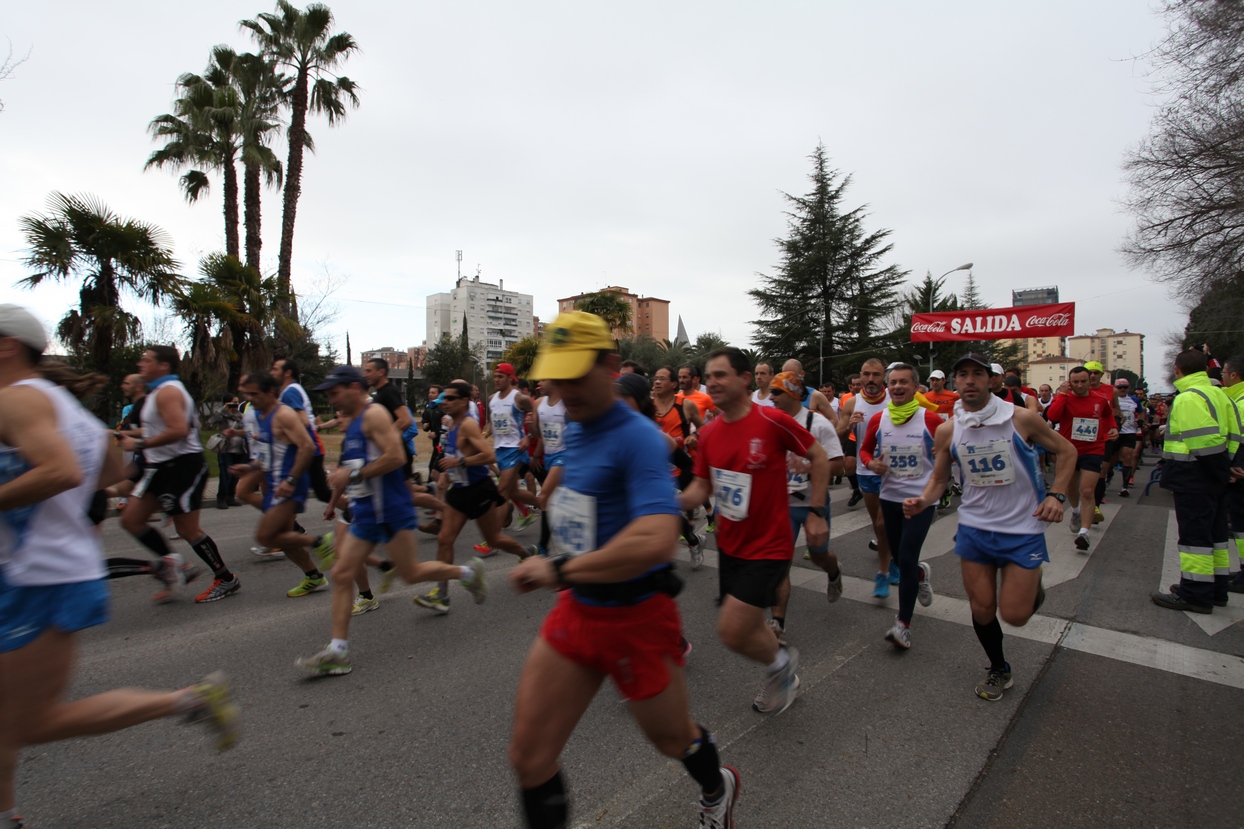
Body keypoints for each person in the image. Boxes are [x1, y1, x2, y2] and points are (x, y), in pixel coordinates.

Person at [0, 305, 237, 829]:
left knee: (23, 721)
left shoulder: (17, 401)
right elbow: (110, 472)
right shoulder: (67, 408)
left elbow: (64, 470)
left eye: (147, 357)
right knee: (17, 719)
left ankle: (189, 696)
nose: (140, 361)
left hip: (36, 574)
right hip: (53, 566)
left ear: (7, 346)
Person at [507, 311, 739, 829]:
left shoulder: (637, 436)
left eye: (575, 373)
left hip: (636, 618)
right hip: (579, 610)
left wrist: (560, 569)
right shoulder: (575, 422)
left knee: (673, 739)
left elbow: (657, 538)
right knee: (529, 757)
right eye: (556, 375)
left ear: (609, 365)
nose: (563, 387)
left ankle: (716, 785)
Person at [904, 353, 1075, 700]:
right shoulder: (949, 429)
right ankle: (999, 668)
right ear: (954, 383)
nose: (969, 381)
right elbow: (938, 479)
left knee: (1014, 615)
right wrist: (923, 500)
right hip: (975, 528)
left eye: (976, 374)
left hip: (1022, 528)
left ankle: (1031, 590)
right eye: (962, 374)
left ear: (990, 380)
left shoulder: (1022, 419)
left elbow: (1067, 451)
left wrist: (1057, 495)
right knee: (981, 608)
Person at [296, 367, 487, 676]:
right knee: (343, 573)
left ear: (354, 388)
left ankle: (467, 572)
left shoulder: (373, 415)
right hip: (367, 510)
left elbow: (396, 457)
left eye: (335, 393)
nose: (331, 402)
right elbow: (356, 464)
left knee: (411, 573)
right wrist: (340, 481)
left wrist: (354, 473)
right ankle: (338, 651)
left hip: (391, 508)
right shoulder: (354, 423)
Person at [680, 347, 829, 715]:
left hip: (770, 544)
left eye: (720, 375)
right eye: (708, 376)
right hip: (731, 545)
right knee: (745, 628)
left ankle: (781, 665)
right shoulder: (711, 433)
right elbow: (701, 488)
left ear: (745, 379)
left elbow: (819, 457)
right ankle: (782, 669)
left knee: (732, 630)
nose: (711, 382)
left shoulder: (771, 420)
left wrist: (815, 512)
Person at [117, 346, 236, 604]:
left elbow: (179, 430)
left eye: (146, 360)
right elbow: (155, 429)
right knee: (131, 519)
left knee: (187, 529)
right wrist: (124, 435)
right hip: (160, 467)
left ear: (163, 366)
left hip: (183, 467)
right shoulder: (157, 392)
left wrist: (137, 445)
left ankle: (225, 578)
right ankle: (177, 567)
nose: (140, 364)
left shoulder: (169, 391)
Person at [414, 382, 534, 613]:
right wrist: (447, 474)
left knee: (495, 539)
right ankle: (442, 595)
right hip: (459, 490)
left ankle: (526, 554)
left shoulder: (468, 425)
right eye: (443, 399)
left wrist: (460, 462)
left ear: (462, 401)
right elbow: (453, 453)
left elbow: (488, 455)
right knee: (444, 539)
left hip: (478, 488)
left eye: (450, 399)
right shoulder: (451, 424)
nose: (445, 403)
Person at [858, 363, 944, 649]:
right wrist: (872, 463)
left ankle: (903, 625)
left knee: (906, 557)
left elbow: (949, 453)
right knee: (899, 557)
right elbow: (865, 449)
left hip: (920, 501)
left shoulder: (930, 420)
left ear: (916, 387)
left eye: (903, 382)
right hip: (890, 497)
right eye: (893, 382)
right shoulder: (879, 419)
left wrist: (941, 454)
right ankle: (919, 574)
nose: (896, 387)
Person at [1151, 349, 1241, 613]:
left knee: (1194, 539)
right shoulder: (1219, 394)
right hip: (1214, 476)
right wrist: (1229, 467)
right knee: (1215, 536)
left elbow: (1204, 441)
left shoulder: (1189, 398)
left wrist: (1221, 470)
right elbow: (1235, 435)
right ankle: (1216, 589)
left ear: (1177, 369)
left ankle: (1195, 593)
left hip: (1195, 476)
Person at [229, 373, 332, 599]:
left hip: (289, 484)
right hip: (276, 482)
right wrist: (250, 468)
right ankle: (314, 577)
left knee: (266, 537)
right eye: (246, 394)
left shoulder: (284, 414)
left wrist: (292, 480)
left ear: (270, 393)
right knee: (284, 537)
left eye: (253, 394)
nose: (248, 398)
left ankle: (321, 541)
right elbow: (268, 453)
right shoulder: (262, 414)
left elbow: (306, 447)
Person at [766, 371, 845, 642]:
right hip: (783, 504)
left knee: (819, 555)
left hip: (813, 502)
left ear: (792, 393)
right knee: (780, 564)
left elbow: (839, 464)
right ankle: (778, 624)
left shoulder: (818, 423)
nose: (771, 396)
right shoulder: (772, 422)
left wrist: (808, 465)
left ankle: (834, 572)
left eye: (777, 392)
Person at [836, 358, 895, 594]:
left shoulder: (896, 397)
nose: (871, 380)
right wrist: (849, 426)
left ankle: (886, 570)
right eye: (866, 375)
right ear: (860, 376)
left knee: (884, 523)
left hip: (893, 471)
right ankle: (893, 559)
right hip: (865, 470)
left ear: (884, 377)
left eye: (876, 375)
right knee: (878, 525)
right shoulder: (852, 402)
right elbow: (838, 434)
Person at [1044, 367, 1117, 552]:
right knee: (1071, 489)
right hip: (1069, 451)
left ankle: (1084, 532)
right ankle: (1075, 511)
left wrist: (1113, 427)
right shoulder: (1065, 398)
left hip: (1093, 449)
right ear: (1069, 382)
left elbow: (1108, 415)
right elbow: (1052, 416)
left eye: (1083, 381)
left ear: (1089, 381)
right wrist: (1061, 394)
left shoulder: (1100, 400)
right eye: (1075, 382)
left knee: (1086, 491)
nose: (1079, 385)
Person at [271, 358, 333, 503]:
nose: (271, 372)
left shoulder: (290, 392)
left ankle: (353, 512)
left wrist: (281, 432)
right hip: (306, 446)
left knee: (322, 492)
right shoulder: (291, 390)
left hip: (309, 447)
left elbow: (303, 421)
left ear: (287, 373)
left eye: (275, 369)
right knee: (296, 493)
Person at [363, 357, 415, 478]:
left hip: (398, 453)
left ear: (381, 372)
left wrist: (386, 436)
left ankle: (431, 489)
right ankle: (430, 489)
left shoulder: (389, 391)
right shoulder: (380, 394)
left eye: (369, 371)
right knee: (406, 494)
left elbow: (405, 420)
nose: (365, 375)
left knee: (407, 495)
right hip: (388, 452)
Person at [1221, 356, 1244, 595]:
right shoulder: (1235, 400)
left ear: (1234, 375)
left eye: (1225, 373)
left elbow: (1239, 442)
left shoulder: (1240, 403)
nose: (1223, 377)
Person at [208, 396, 246, 509]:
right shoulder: (222, 415)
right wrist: (223, 409)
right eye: (233, 403)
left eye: (237, 402)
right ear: (227, 403)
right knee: (225, 475)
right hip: (225, 449)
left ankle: (231, 497)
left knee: (235, 476)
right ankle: (221, 498)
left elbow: (247, 429)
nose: (236, 405)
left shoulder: (240, 416)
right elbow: (211, 421)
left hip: (239, 449)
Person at [1112, 378, 1143, 497]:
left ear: (1129, 388)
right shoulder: (1112, 399)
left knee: (1127, 457)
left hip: (1129, 433)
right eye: (1120, 387)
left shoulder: (1134, 400)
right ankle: (1108, 474)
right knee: (1112, 459)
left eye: (1125, 387)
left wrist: (1140, 419)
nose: (1122, 389)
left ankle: (1125, 486)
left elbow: (1141, 412)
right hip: (1115, 433)